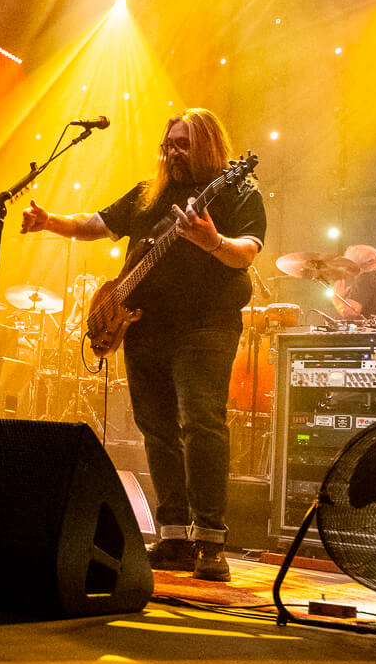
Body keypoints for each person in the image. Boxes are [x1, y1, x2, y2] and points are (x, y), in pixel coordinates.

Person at [21, 108, 266, 582]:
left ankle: (210, 540)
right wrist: (50, 221)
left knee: (201, 422)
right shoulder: (148, 193)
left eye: (183, 144)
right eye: (168, 144)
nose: (172, 152)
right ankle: (173, 537)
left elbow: (247, 253)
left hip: (206, 325)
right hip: (145, 327)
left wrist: (212, 241)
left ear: (209, 146)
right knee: (155, 429)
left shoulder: (237, 190)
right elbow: (94, 224)